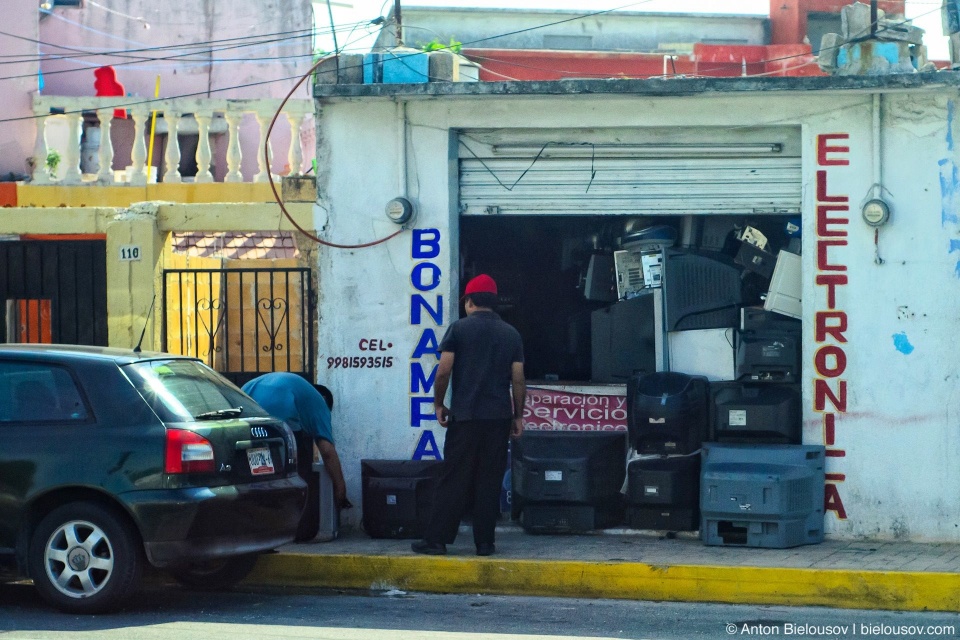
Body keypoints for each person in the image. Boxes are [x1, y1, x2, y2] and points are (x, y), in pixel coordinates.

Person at [412, 274, 525, 557]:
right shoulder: (511, 334)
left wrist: (438, 404)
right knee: (489, 480)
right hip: (498, 418)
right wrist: (518, 415)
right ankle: (485, 543)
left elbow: (443, 370)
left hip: (465, 418)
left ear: (469, 301)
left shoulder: (458, 330)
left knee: (454, 478)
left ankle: (436, 540)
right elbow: (518, 378)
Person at [241, 372, 349, 542]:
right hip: (279, 417)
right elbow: (327, 452)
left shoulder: (299, 390)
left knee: (260, 474)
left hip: (245, 407)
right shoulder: (320, 405)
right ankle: (302, 532)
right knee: (298, 475)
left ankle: (259, 531)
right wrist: (340, 487)